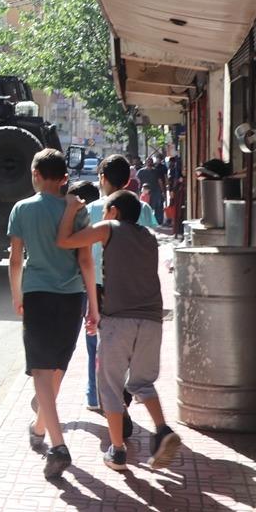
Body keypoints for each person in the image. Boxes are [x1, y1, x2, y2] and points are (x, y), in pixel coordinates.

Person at [57, 190, 182, 472]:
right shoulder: (149, 238)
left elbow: (65, 241)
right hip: (152, 320)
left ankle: (118, 451)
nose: (102, 216)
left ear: (114, 211)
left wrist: (69, 211)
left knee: (111, 387)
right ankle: (162, 430)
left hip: (118, 322)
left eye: (105, 211)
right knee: (142, 382)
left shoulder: (109, 228)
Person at [7, 148, 99, 480]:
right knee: (56, 368)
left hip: (38, 295)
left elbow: (16, 259)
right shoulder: (76, 210)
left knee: (43, 372)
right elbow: (86, 260)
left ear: (34, 175)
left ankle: (58, 446)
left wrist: (18, 296)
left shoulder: (22, 209)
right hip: (72, 298)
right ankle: (40, 427)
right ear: (64, 178)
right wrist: (94, 306)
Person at [82, 155, 158, 417]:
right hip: (133, 289)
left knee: (96, 344)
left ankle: (96, 395)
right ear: (128, 179)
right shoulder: (142, 209)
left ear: (102, 178)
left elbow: (82, 251)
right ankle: (119, 395)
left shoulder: (92, 209)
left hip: (98, 286)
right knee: (125, 347)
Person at [136, 156, 165, 225]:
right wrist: (139, 191)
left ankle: (158, 221)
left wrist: (162, 191)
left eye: (150, 161)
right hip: (145, 192)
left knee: (158, 206)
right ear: (145, 163)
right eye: (148, 162)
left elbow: (160, 181)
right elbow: (138, 182)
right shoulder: (141, 171)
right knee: (146, 207)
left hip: (155, 191)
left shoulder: (156, 171)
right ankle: (146, 221)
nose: (149, 163)